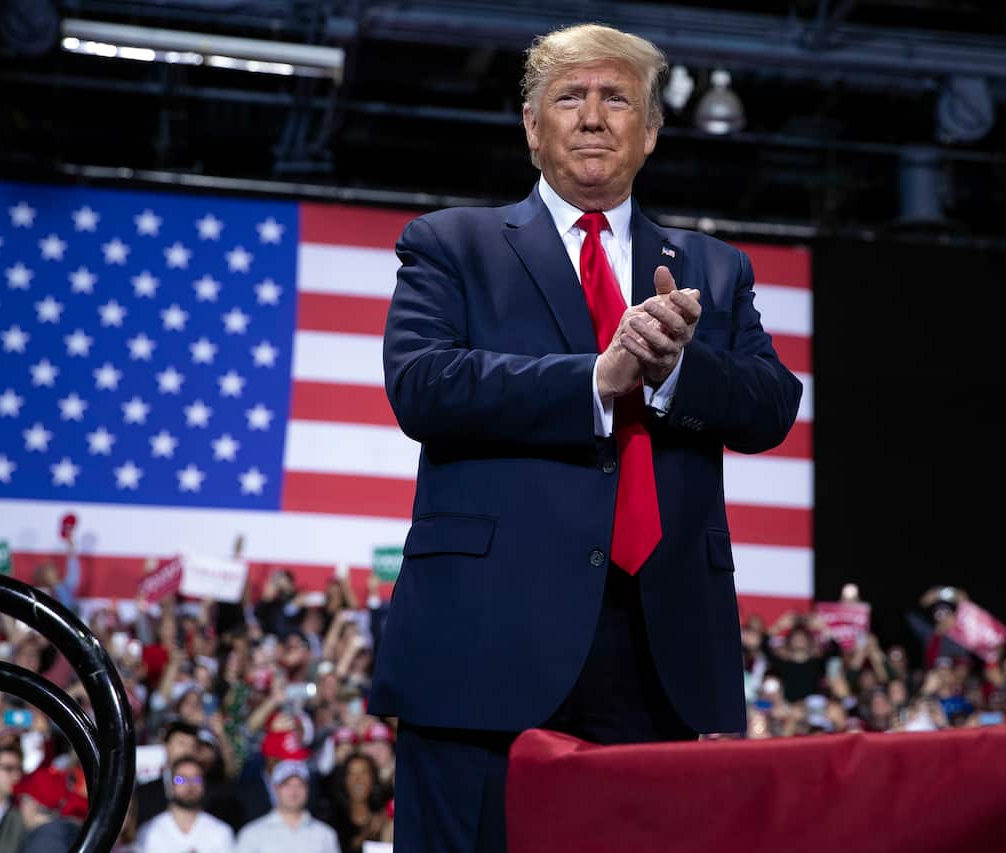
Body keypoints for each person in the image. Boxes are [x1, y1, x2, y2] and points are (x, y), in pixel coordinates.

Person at [370, 22, 803, 851]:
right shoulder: (450, 244)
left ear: (650, 130)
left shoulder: (714, 267)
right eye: (570, 97)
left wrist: (677, 369)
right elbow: (423, 385)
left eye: (618, 98)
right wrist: (596, 380)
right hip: (484, 649)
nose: (594, 116)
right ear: (533, 127)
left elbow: (771, 404)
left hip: (659, 654)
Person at [135, 756, 236, 852]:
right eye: (181, 780)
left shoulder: (221, 833)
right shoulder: (149, 832)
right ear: (170, 787)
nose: (190, 785)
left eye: (196, 779)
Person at [236, 760, 339, 853]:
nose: (294, 791)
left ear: (307, 790)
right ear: (276, 789)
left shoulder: (325, 835)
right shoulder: (252, 834)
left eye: (300, 785)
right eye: (287, 784)